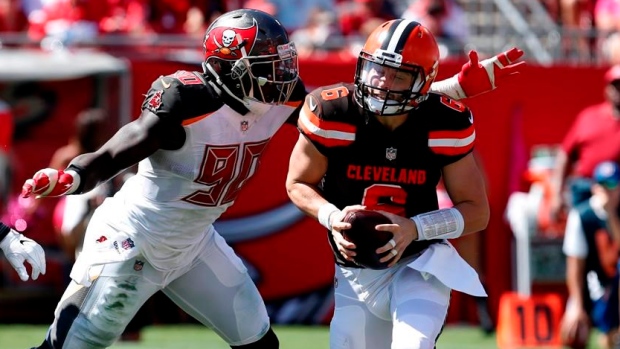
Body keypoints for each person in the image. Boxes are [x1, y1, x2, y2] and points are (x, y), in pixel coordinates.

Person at [20, 9, 525, 349]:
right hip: (135, 238)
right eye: (268, 63)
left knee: (260, 341)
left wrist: (453, 86)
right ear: (227, 67)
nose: (282, 71)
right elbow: (123, 145)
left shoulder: (282, 96)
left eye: (283, 60)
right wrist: (70, 175)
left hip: (195, 242)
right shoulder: (186, 100)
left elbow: (369, 109)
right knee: (76, 342)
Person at [286, 19, 493, 349]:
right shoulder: (333, 111)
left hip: (420, 264)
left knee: (413, 345)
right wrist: (330, 216)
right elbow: (297, 183)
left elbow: (477, 212)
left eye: (399, 75)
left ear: (423, 82)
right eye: (378, 69)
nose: (383, 81)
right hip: (355, 274)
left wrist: (414, 228)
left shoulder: (444, 122)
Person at [560, 160, 620, 349]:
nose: (607, 190)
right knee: (572, 332)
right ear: (594, 187)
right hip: (591, 280)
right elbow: (574, 265)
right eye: (602, 185)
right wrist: (576, 305)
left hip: (616, 283)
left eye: (612, 185)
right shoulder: (582, 215)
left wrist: (610, 215)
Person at [550, 64, 620, 223]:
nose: (618, 91)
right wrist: (556, 195)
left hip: (616, 195)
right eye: (615, 86)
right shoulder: (588, 117)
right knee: (581, 239)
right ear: (607, 89)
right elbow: (565, 156)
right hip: (585, 191)